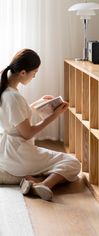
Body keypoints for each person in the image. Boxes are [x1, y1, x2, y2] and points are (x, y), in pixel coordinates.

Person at [0, 49, 81, 201]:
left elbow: (16, 117)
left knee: (50, 161)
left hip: (6, 152)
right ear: (23, 72)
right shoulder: (14, 97)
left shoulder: (4, 87)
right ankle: (43, 185)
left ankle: (29, 178)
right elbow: (27, 133)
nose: (34, 76)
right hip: (19, 156)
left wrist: (39, 103)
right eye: (34, 72)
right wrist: (54, 115)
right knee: (72, 162)